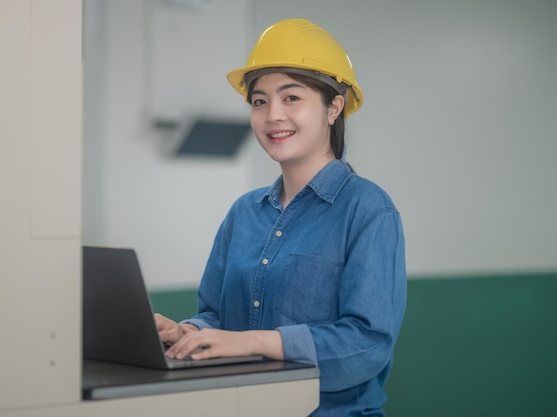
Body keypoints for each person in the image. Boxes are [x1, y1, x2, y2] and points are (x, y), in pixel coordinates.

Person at [155, 18, 407, 417]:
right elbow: (215, 316)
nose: (273, 114)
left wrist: (254, 342)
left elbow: (365, 345)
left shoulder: (368, 210)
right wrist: (189, 333)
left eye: (291, 98)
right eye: (260, 101)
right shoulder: (243, 213)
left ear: (333, 107)